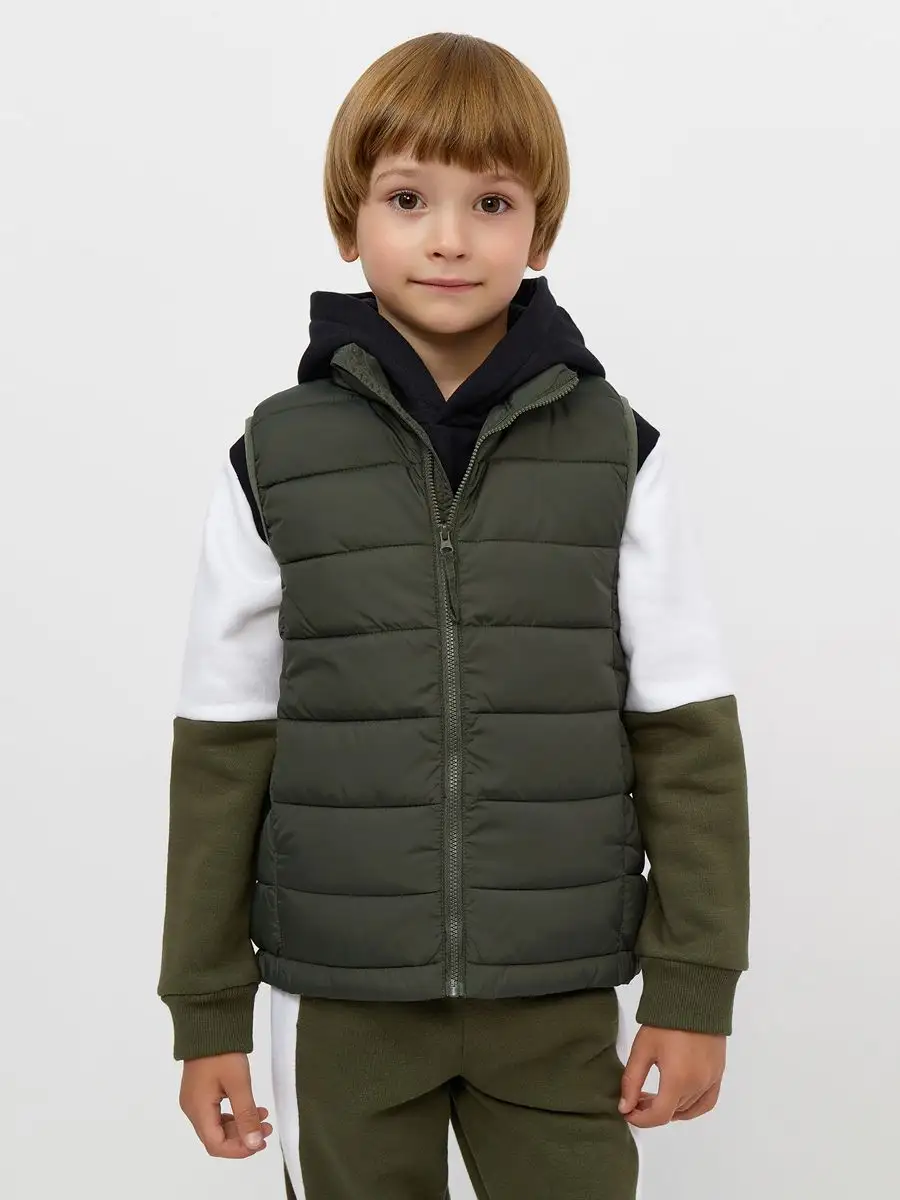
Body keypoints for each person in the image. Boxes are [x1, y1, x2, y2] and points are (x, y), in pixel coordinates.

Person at [157, 30, 750, 1200]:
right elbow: (221, 753)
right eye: (406, 198)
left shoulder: (618, 450)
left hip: (555, 987)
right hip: (340, 995)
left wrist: (694, 990)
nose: (447, 236)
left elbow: (687, 739)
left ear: (540, 230)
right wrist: (207, 1009)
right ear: (349, 220)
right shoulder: (274, 457)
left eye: (491, 201)